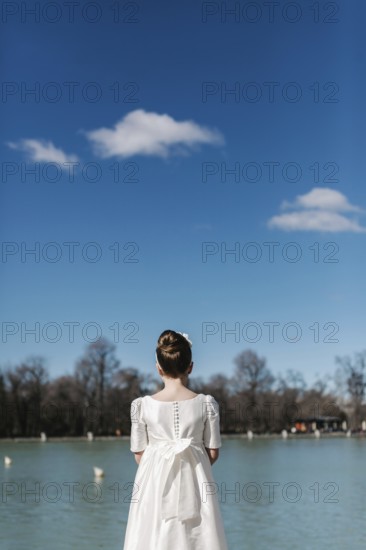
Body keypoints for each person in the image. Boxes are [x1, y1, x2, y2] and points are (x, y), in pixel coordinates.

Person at [122, 329, 229, 550]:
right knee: (198, 536)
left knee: (154, 536)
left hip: (153, 486)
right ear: (190, 366)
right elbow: (213, 453)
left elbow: (139, 455)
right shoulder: (207, 404)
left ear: (158, 368)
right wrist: (190, 467)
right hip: (197, 482)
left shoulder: (141, 406)